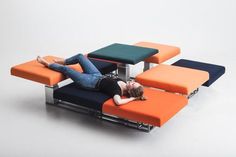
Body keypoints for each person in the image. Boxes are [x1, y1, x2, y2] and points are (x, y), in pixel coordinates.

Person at [36, 54, 146, 105]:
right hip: (96, 75)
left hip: (88, 82)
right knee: (80, 56)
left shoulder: (117, 92)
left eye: (133, 84)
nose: (132, 81)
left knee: (67, 70)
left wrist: (132, 99)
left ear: (131, 91)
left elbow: (118, 102)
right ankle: (64, 60)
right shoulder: (124, 83)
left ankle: (47, 63)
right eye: (134, 82)